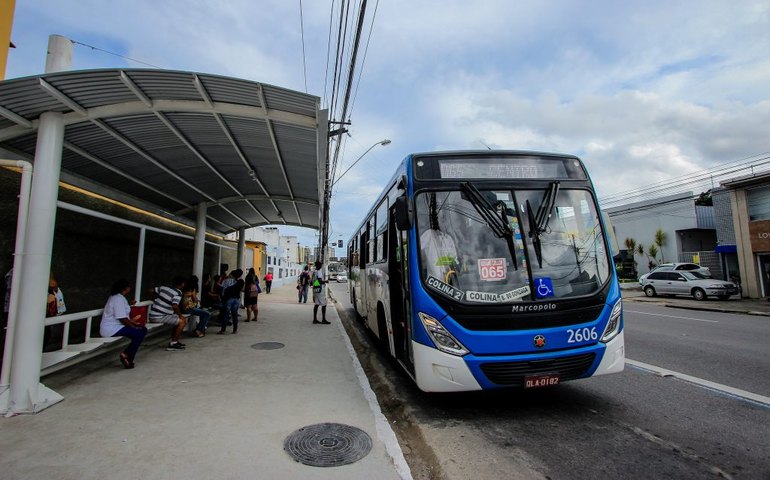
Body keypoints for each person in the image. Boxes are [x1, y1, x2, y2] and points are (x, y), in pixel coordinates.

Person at [100, 279, 147, 369]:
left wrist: (133, 323)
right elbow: (122, 318)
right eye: (129, 287)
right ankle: (128, 356)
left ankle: (128, 355)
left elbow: (123, 313)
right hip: (111, 328)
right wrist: (133, 326)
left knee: (142, 329)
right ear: (125, 288)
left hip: (117, 327)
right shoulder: (117, 299)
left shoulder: (118, 297)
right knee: (139, 333)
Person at [149, 276, 187, 351]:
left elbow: (150, 290)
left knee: (178, 320)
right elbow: (175, 306)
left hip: (153, 314)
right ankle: (173, 343)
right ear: (182, 284)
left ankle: (174, 340)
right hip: (159, 316)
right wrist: (180, 316)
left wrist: (154, 300)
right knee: (182, 321)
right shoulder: (178, 293)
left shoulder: (164, 288)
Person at [218, 269, 244, 334]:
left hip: (228, 299)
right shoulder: (240, 282)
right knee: (234, 315)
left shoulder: (226, 281)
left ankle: (223, 330)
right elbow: (242, 289)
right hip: (236, 299)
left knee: (226, 314)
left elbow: (222, 289)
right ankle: (235, 330)